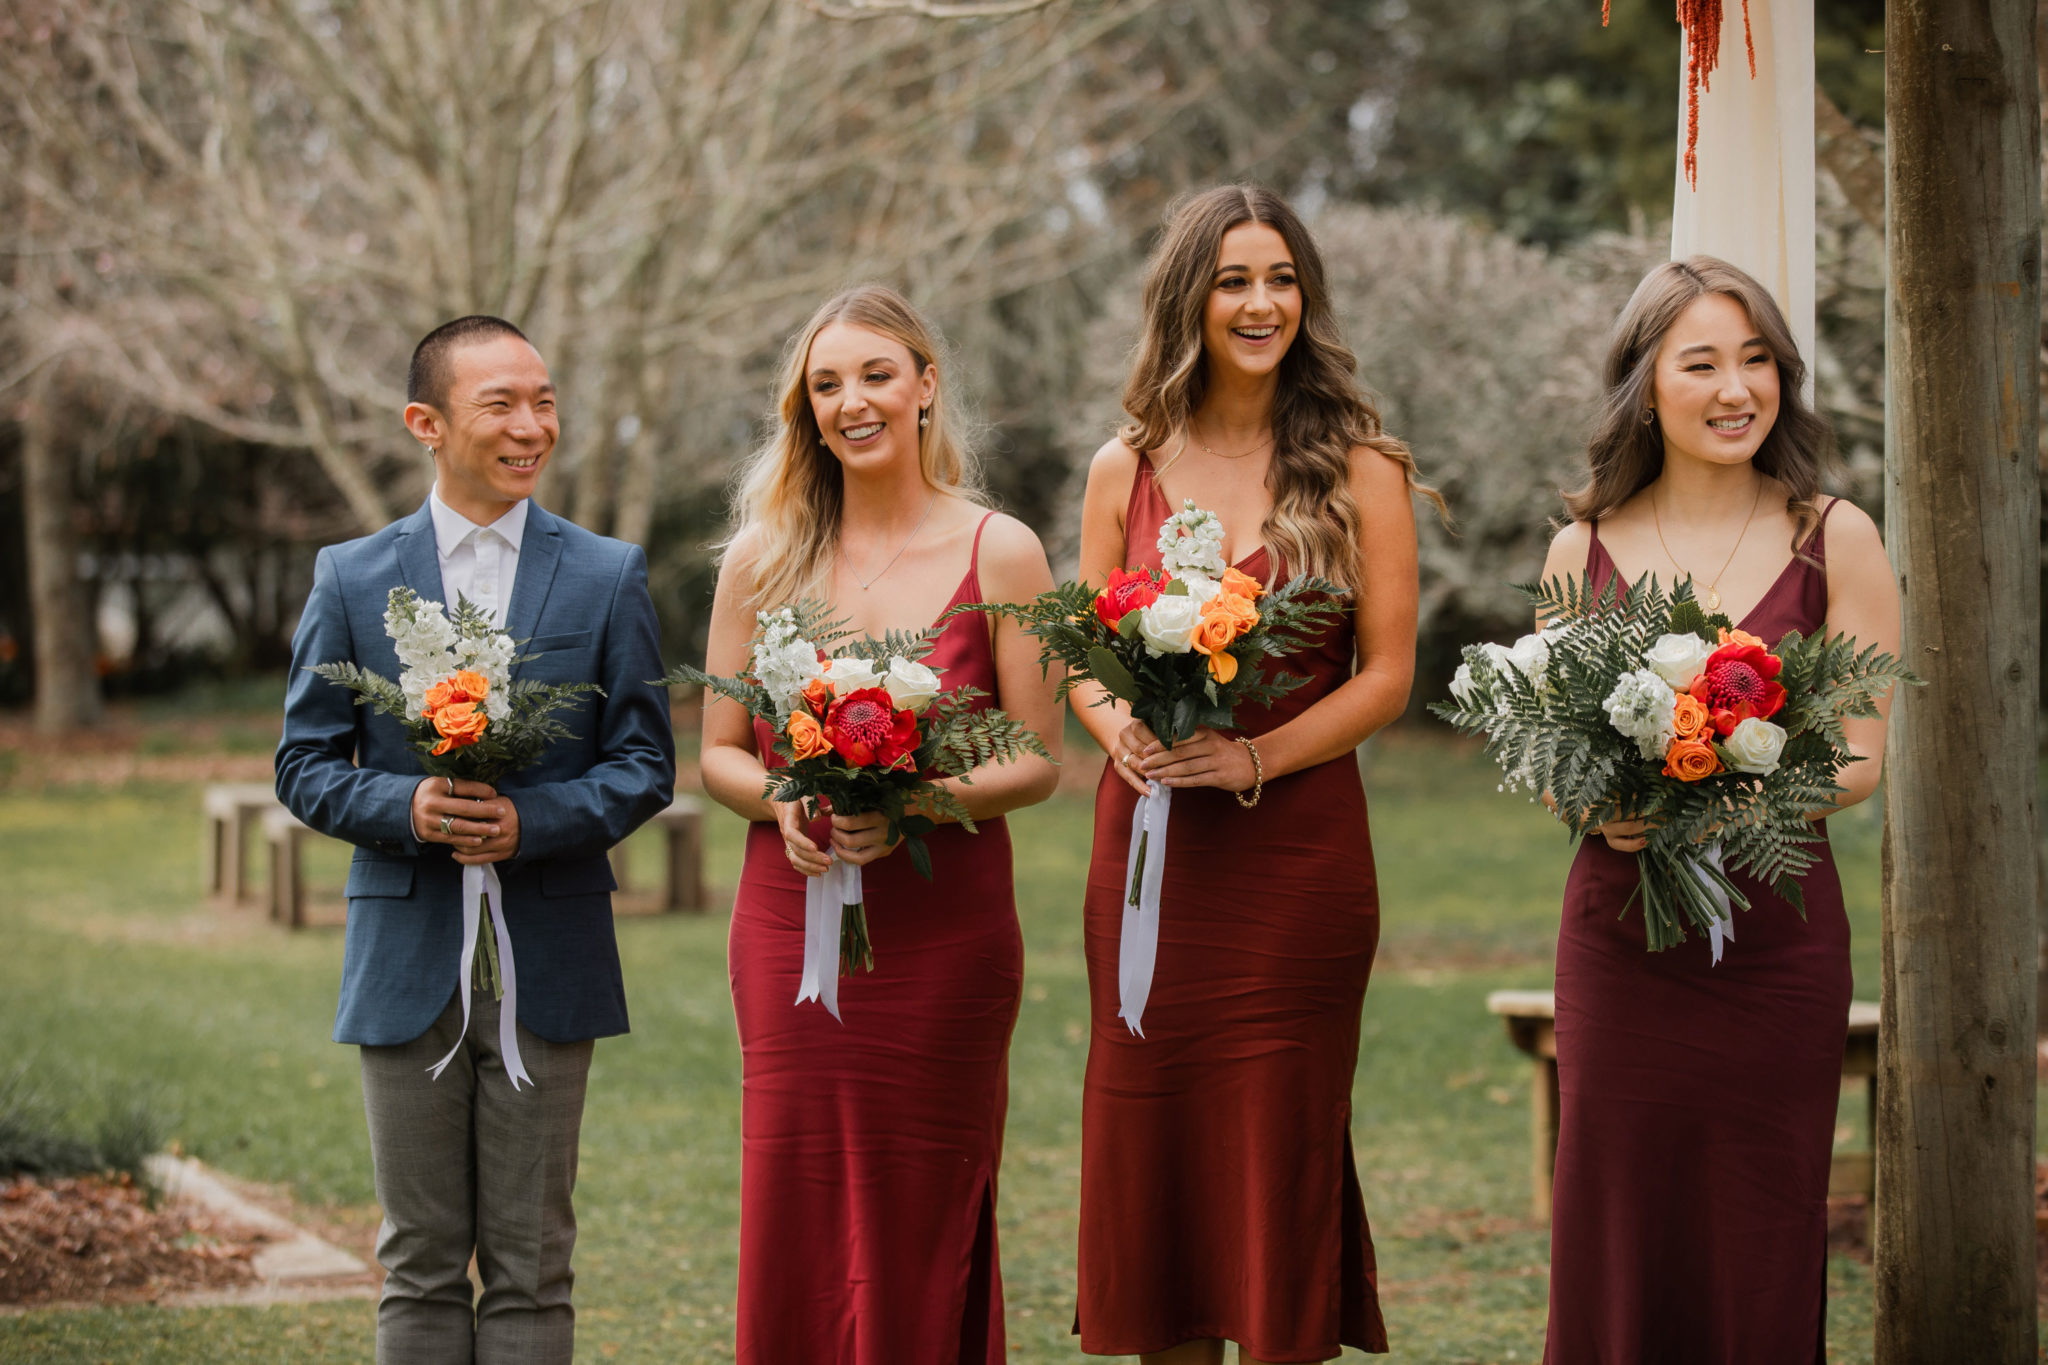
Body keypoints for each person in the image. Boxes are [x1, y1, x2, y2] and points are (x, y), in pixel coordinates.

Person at [1070, 184, 1435, 1364]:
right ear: (1188, 298)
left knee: (1273, 1150)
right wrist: (1116, 723)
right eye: (1233, 280)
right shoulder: (1121, 469)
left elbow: (1385, 674)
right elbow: (1081, 656)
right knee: (1157, 1154)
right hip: (1149, 867)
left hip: (1294, 861)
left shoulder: (1359, 468)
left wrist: (1252, 758)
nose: (1260, 301)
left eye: (1279, 279)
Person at [276, 315, 675, 1365]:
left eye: (543, 401)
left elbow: (644, 764)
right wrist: (404, 811)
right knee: (416, 1262)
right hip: (404, 956)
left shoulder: (605, 573)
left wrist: (530, 821)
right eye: (500, 403)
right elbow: (304, 764)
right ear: (427, 422)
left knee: (535, 1266)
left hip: (551, 953)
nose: (531, 424)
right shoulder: (352, 578)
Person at [1535, 256, 1900, 1363]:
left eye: (1755, 362)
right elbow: (1553, 752)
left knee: (1758, 1220)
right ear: (1644, 385)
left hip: (1773, 944)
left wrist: (1724, 787)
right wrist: (1599, 807)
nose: (1734, 388)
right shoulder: (1577, 548)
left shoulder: (1833, 534)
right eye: (1699, 363)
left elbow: (1859, 755)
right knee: (1618, 1218)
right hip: (1620, 945)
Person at [697, 284, 1063, 1362]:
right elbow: (716, 751)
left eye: (873, 376)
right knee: (794, 1203)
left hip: (942, 933)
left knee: (923, 1201)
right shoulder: (760, 559)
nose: (850, 402)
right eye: (825, 385)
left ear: (924, 386)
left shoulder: (1000, 550)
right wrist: (786, 801)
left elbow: (1038, 758)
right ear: (803, 410)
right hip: (785, 922)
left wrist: (913, 801)